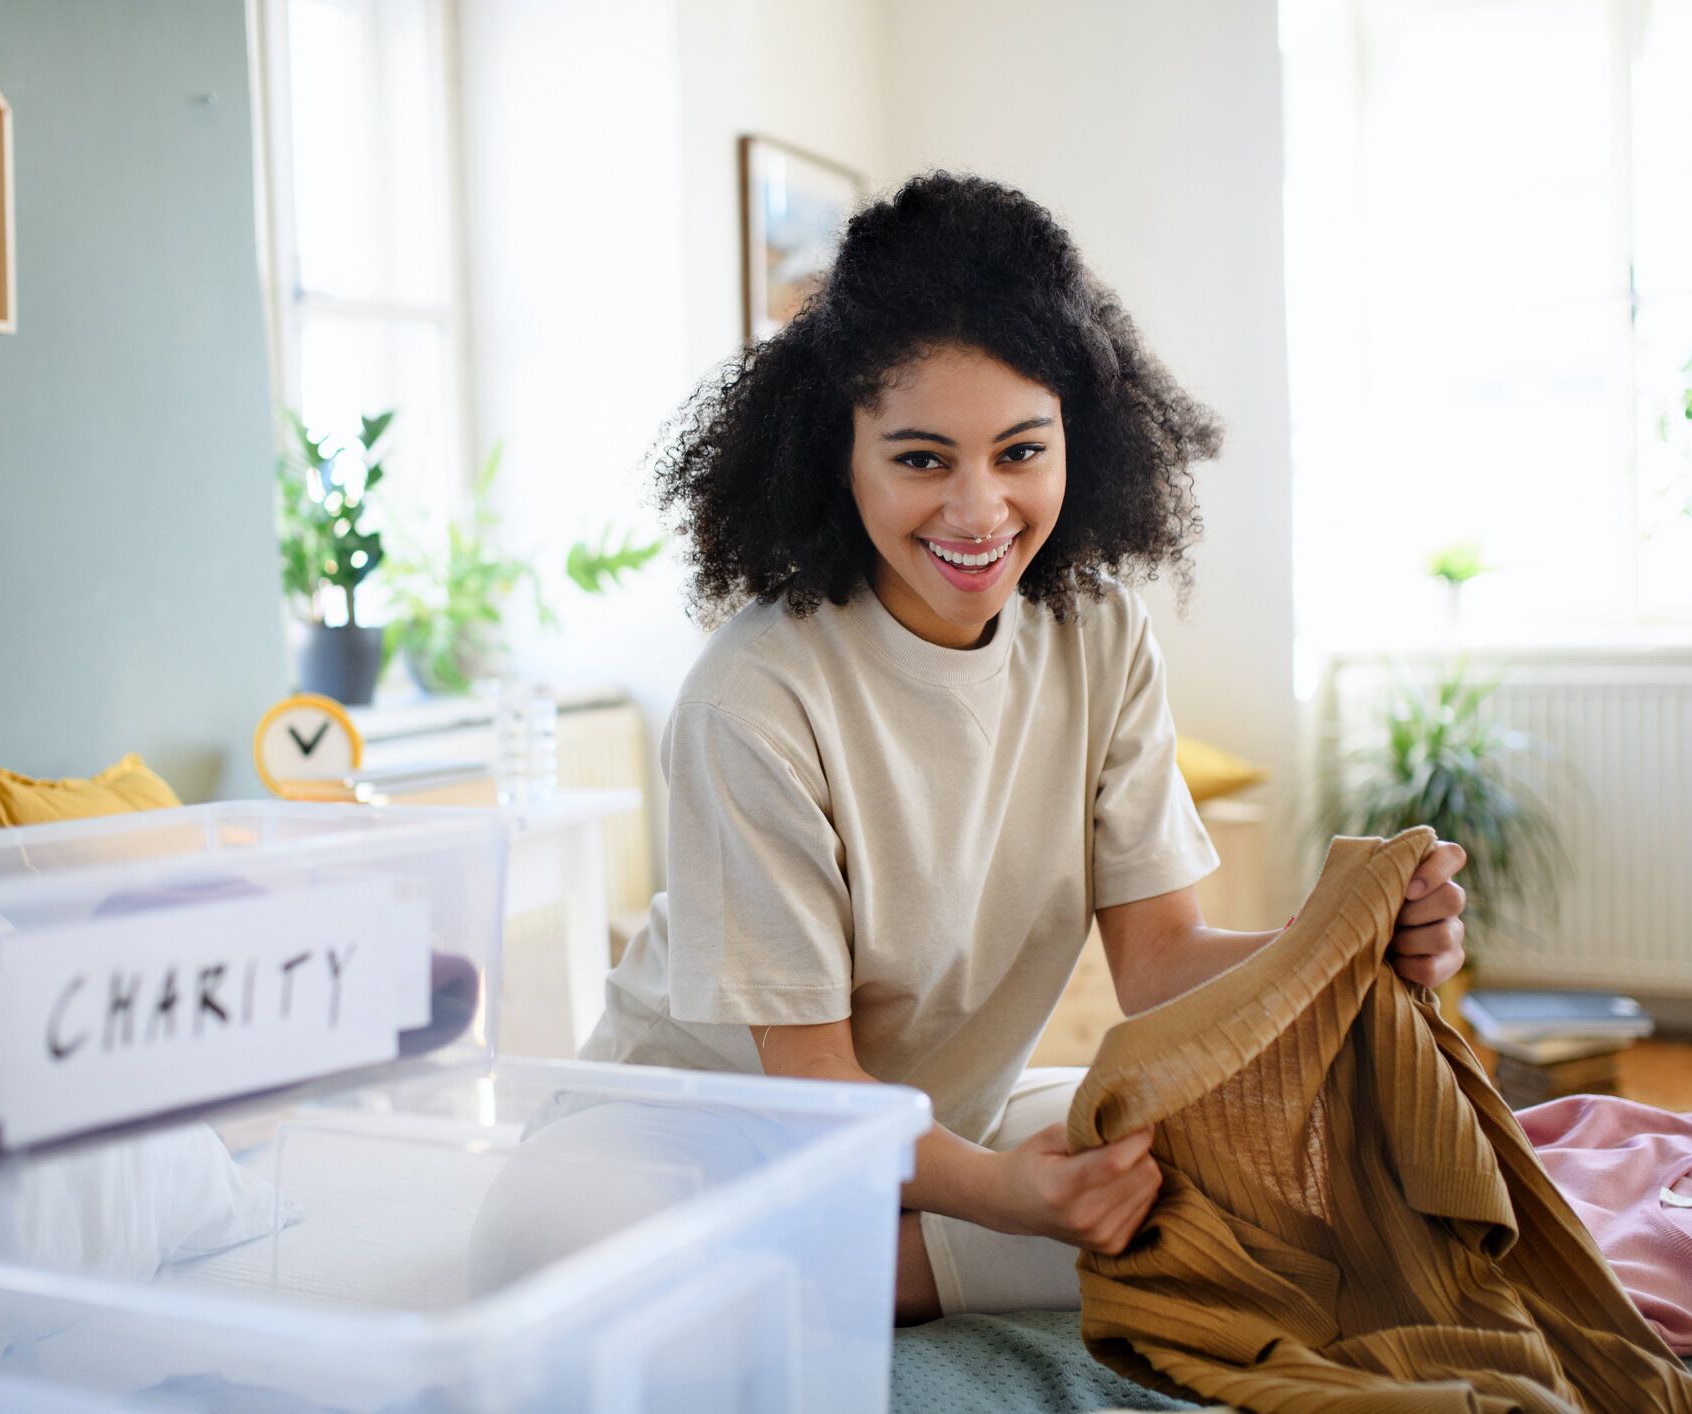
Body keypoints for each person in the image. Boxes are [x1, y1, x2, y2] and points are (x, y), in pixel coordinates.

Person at [563, 171, 1469, 1322]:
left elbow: (1161, 961)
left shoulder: (1101, 635)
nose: (979, 510)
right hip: (698, 1154)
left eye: (1020, 451)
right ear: (839, 454)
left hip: (943, 1131)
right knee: (612, 1270)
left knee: (1302, 1174)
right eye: (922, 458)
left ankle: (896, 1264)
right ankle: (893, 1266)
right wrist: (1004, 1198)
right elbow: (816, 1088)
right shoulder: (754, 698)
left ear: (1076, 440)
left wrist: (1342, 943)